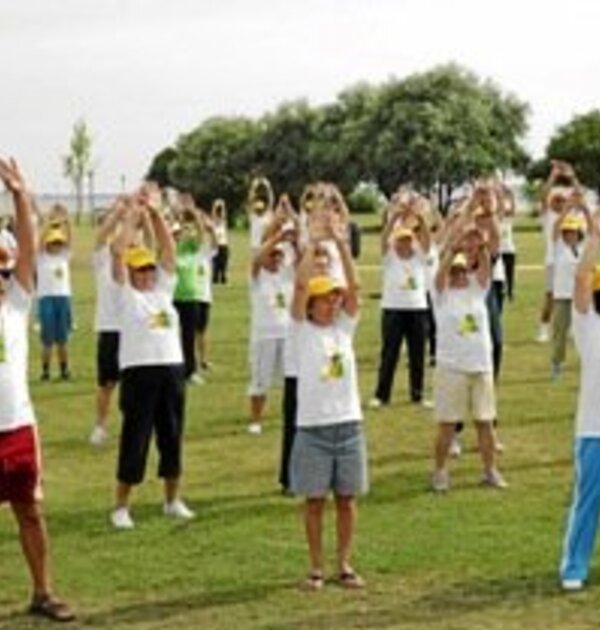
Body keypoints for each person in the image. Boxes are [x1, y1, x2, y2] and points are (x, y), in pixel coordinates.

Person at [0, 157, 75, 621]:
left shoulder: (16, 305)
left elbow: (29, 249)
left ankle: (43, 592)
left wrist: (20, 196)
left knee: (29, 511)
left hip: (17, 427)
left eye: (4, 269)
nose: (2, 276)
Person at [290, 206, 367, 590]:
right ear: (312, 304)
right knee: (315, 502)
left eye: (334, 298)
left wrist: (339, 242)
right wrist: (311, 245)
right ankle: (316, 567)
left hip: (348, 426)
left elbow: (355, 289)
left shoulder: (343, 328)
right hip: (314, 429)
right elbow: (300, 287)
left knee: (347, 500)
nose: (332, 303)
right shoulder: (301, 330)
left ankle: (345, 564)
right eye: (325, 299)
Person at [109, 184, 194, 529]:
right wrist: (132, 217)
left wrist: (156, 213)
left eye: (149, 269)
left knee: (172, 437)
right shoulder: (125, 296)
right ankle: (121, 506)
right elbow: (117, 252)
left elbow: (169, 250)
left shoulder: (163, 291)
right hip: (139, 372)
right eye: (140, 270)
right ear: (131, 273)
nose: (146, 274)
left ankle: (172, 499)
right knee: (136, 437)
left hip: (171, 369)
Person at [430, 218, 507, 492]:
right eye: (456, 271)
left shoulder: (478, 287)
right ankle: (440, 472)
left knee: (485, 423)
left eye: (463, 270)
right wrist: (454, 247)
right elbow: (439, 275)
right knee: (448, 424)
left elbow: (486, 264)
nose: (460, 275)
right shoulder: (440, 294)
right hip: (452, 367)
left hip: (480, 365)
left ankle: (490, 471)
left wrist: (480, 242)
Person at [560, 210, 600, 591]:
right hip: (594, 431)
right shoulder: (589, 326)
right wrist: (596, 238)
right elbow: (580, 279)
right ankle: (574, 566)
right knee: (588, 500)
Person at [369, 194, 431, 408]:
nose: (404, 244)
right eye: (400, 240)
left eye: (408, 240)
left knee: (417, 354)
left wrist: (419, 217)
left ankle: (418, 394)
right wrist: (394, 216)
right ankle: (381, 395)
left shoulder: (419, 255)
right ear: (395, 241)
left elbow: (426, 239)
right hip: (393, 308)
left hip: (417, 308)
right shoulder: (389, 257)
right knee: (389, 353)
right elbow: (384, 238)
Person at [247, 221, 298, 435]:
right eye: (272, 255)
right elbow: (257, 258)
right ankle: (255, 419)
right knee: (261, 380)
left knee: (291, 378)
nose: (276, 258)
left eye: (279, 255)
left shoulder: (286, 275)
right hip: (264, 336)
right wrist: (278, 237)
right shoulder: (258, 277)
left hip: (287, 335)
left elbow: (301, 259)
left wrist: (293, 241)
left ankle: (293, 416)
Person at [89, 200, 127, 445]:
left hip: (133, 329)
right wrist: (119, 212)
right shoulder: (101, 260)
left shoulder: (134, 258)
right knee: (107, 383)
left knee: (133, 383)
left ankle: (132, 426)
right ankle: (100, 426)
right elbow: (102, 237)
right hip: (109, 328)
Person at [172, 195, 217, 383]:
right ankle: (174, 368)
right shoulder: (170, 250)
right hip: (172, 297)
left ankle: (190, 371)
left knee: (188, 336)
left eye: (181, 233)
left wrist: (194, 214)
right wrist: (178, 217)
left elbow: (201, 234)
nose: (180, 235)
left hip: (191, 297)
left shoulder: (193, 249)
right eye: (177, 233)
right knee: (171, 335)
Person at [537, 161, 581, 343]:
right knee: (551, 296)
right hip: (552, 262)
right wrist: (553, 176)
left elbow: (579, 194)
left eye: (562, 200)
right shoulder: (548, 216)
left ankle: (571, 328)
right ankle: (543, 328)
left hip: (572, 261)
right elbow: (543, 196)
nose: (559, 203)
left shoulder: (572, 215)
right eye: (556, 200)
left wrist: (572, 177)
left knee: (573, 295)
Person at [550, 202, 591, 379]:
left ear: (578, 233)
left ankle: (588, 362)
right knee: (560, 332)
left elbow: (593, 232)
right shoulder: (559, 247)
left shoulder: (583, 248)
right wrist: (566, 210)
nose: (569, 235)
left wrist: (586, 211)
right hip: (563, 297)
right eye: (566, 232)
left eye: (572, 231)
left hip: (582, 297)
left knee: (585, 332)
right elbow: (555, 228)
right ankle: (557, 363)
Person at [36, 208, 73, 381]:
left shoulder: (64, 256)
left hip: (63, 298)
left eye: (59, 243)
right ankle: (45, 371)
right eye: (53, 242)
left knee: (63, 339)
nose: (56, 245)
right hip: (46, 299)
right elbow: (39, 241)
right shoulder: (41, 257)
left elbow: (70, 239)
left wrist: (67, 222)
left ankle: (64, 370)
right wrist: (48, 224)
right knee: (47, 339)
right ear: (47, 244)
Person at [211, 198, 229, 284]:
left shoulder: (223, 221)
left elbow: (223, 214)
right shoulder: (214, 221)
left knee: (223, 262)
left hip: (223, 243)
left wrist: (221, 204)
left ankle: (222, 277)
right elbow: (214, 214)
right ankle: (215, 277)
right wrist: (216, 205)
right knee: (216, 262)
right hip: (216, 244)